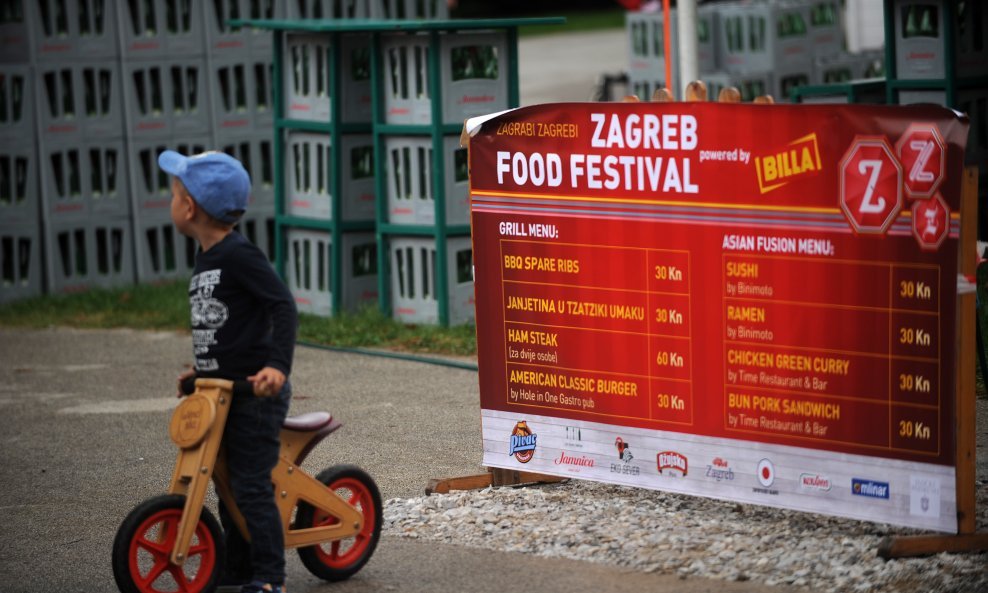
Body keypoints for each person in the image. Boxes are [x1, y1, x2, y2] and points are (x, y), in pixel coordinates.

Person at [159, 149, 297, 593]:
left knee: (250, 486)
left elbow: (283, 306)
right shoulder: (206, 259)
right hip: (220, 391)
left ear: (189, 207)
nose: (171, 199)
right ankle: (236, 570)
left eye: (174, 192)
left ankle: (269, 577)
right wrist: (198, 375)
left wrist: (276, 366)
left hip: (255, 395)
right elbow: (222, 329)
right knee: (223, 485)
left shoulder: (239, 255)